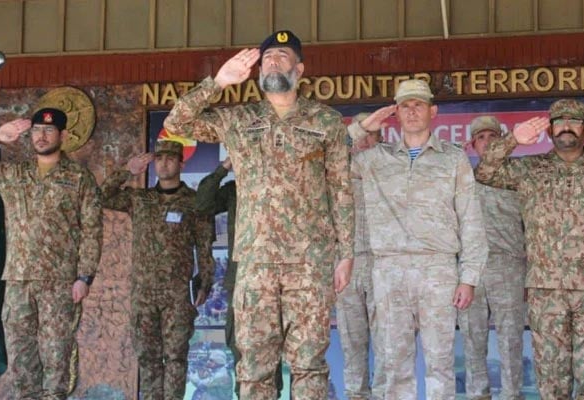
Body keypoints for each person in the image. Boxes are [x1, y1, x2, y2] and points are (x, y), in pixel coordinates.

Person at [163, 30, 354, 399]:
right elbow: (177, 123)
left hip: (309, 263)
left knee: (309, 365)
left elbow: (341, 190)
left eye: (282, 56)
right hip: (255, 264)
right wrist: (218, 82)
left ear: (299, 69)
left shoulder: (325, 121)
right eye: (267, 58)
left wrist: (345, 253)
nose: (273, 62)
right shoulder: (239, 119)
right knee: (253, 367)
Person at [474, 99, 584, 399]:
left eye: (574, 121)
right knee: (551, 379)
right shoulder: (530, 168)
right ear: (550, 130)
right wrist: (512, 139)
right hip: (545, 290)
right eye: (560, 122)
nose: (566, 127)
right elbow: (484, 172)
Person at [348, 79, 488, 399]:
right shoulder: (374, 159)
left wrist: (469, 277)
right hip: (389, 269)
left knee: (440, 365)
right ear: (395, 113)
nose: (412, 112)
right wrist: (362, 129)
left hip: (437, 269)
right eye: (405, 106)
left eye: (419, 105)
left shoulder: (452, 159)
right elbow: (325, 158)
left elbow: (471, 219)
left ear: (432, 111)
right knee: (395, 365)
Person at [0, 108, 103, 399]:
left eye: (49, 130)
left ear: (63, 135)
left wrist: (84, 276)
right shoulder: (14, 173)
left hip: (59, 283)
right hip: (18, 280)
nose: (41, 135)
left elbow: (92, 229)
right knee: (21, 358)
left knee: (56, 356)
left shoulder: (79, 177)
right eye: (36, 130)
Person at [100, 141, 214, 400]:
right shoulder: (140, 199)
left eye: (170, 159)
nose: (163, 164)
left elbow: (204, 245)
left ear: (181, 164)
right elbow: (103, 196)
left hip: (177, 295)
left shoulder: (194, 203)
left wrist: (205, 282)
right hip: (144, 293)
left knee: (175, 357)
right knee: (148, 357)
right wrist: (127, 171)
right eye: (159, 158)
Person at [196, 157, 285, 398]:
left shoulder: (284, 183)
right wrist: (224, 167)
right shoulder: (235, 189)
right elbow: (201, 203)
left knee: (271, 349)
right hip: (240, 282)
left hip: (274, 281)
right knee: (239, 346)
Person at [459, 116, 526, 400]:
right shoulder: (461, 177)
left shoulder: (519, 176)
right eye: (481, 137)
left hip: (508, 267)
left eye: (492, 136)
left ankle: (512, 395)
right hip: (470, 271)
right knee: (472, 341)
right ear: (472, 145)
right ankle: (478, 395)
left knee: (511, 341)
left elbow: (533, 226)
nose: (487, 142)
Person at [336, 112, 383, 400]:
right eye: (360, 136)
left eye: (371, 135)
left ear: (381, 139)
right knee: (352, 342)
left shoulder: (392, 171)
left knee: (387, 343)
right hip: (347, 264)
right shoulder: (336, 171)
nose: (365, 142)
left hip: (382, 265)